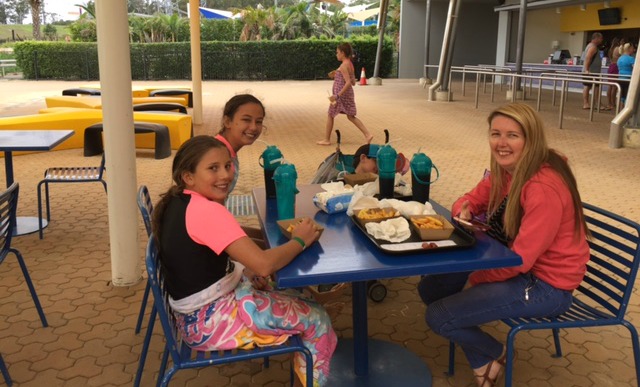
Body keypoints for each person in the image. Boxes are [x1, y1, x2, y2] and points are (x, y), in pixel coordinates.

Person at [417, 103, 590, 387]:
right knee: (432, 288)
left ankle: (497, 352)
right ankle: (484, 360)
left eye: (513, 135)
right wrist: (466, 208)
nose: (502, 143)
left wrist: (477, 277)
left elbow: (520, 260)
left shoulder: (542, 187)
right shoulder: (508, 170)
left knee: (438, 315)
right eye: (496, 133)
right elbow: (467, 199)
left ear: (531, 140)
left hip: (546, 286)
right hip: (516, 266)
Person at [152, 135, 337, 386]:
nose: (225, 175)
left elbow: (230, 235)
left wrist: (263, 238)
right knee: (318, 319)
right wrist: (301, 241)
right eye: (213, 168)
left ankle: (308, 334)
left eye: (228, 166)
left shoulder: (181, 201)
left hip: (194, 318)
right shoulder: (207, 211)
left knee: (295, 293)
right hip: (212, 322)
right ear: (188, 177)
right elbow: (263, 264)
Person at [215, 94, 267, 245]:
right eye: (246, 120)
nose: (253, 127)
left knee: (268, 242)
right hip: (201, 243)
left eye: (259, 122)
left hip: (210, 227)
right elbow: (212, 216)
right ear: (227, 121)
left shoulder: (222, 149)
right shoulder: (217, 156)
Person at [317, 42, 373, 146]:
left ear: (343, 53)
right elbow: (353, 82)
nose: (336, 54)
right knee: (351, 116)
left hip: (341, 96)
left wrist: (337, 96)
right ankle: (367, 134)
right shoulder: (350, 64)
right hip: (347, 95)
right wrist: (337, 74)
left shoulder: (343, 65)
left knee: (330, 115)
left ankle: (326, 139)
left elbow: (348, 83)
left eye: (337, 52)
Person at [582, 32, 604, 110]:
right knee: (595, 87)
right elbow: (588, 58)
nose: (602, 40)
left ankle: (587, 103)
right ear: (596, 38)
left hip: (591, 71)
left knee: (588, 86)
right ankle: (595, 103)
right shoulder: (593, 47)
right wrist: (587, 70)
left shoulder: (589, 46)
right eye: (601, 38)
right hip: (592, 71)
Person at [617, 42, 636, 107]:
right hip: (628, 79)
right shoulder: (631, 59)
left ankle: (620, 111)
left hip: (620, 79)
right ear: (629, 49)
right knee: (628, 96)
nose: (634, 50)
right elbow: (635, 68)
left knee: (622, 96)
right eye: (633, 48)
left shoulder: (620, 58)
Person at [606, 37, 623, 110]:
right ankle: (613, 103)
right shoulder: (618, 48)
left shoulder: (611, 49)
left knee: (610, 86)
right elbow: (623, 56)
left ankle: (609, 103)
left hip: (611, 66)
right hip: (615, 67)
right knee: (614, 87)